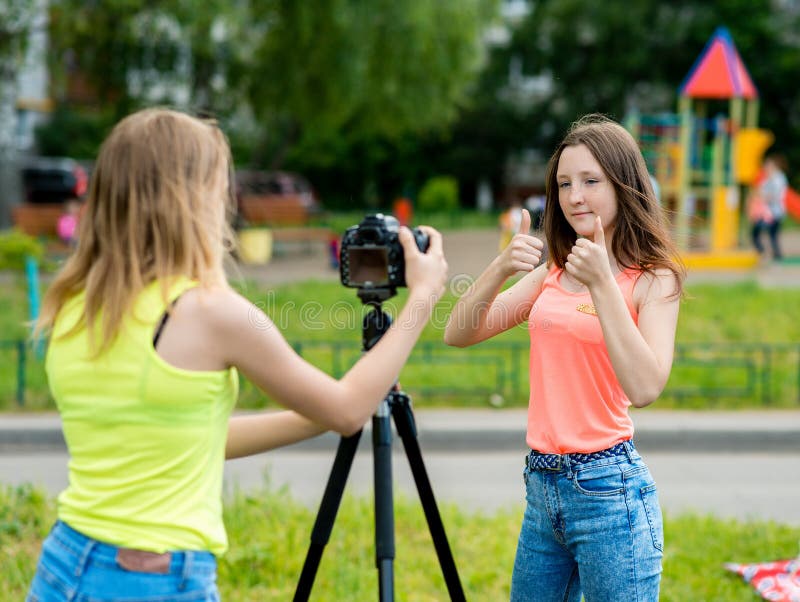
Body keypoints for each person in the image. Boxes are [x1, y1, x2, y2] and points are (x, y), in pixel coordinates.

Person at [27, 108, 448, 601]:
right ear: (191, 200)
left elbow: (190, 439)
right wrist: (423, 296)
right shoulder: (212, 311)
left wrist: (320, 416)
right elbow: (349, 406)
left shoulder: (73, 304)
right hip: (153, 577)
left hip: (64, 564)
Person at [444, 114, 685, 601]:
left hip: (609, 494)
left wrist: (602, 283)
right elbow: (458, 333)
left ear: (625, 184)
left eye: (591, 181)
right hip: (542, 490)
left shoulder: (654, 280)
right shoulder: (553, 272)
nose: (574, 196)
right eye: (563, 184)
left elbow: (645, 388)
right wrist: (497, 269)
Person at [752, 154, 788, 261]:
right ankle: (773, 254)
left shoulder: (778, 178)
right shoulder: (767, 179)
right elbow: (760, 191)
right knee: (770, 234)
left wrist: (764, 196)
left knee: (764, 232)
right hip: (767, 212)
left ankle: (768, 253)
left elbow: (775, 194)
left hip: (774, 212)